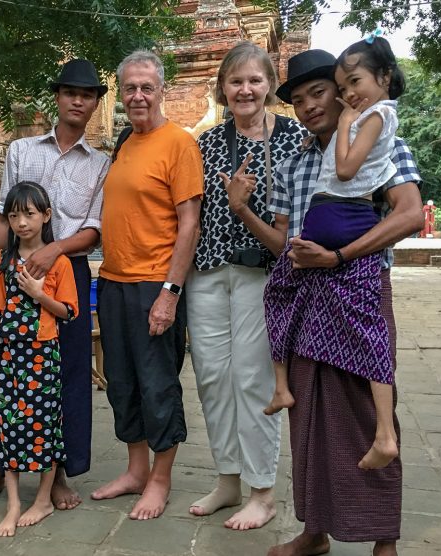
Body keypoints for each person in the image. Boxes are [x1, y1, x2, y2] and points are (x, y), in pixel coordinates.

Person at [265, 48, 423, 556]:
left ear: (343, 93)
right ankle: (315, 531)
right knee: (309, 417)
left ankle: (384, 539)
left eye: (319, 92)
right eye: (298, 100)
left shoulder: (383, 142)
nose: (309, 106)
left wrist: (338, 256)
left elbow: (409, 214)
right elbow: (283, 242)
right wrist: (245, 210)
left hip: (360, 289)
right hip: (306, 299)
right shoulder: (293, 166)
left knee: (368, 411)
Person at [0, 59, 109, 513]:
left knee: (68, 374)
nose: (78, 101)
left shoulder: (101, 163)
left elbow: (94, 231)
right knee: (6, 374)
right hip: (15, 271)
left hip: (67, 275)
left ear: (96, 104)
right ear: (57, 97)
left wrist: (54, 249)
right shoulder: (22, 150)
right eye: (70, 93)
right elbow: (2, 219)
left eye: (87, 95)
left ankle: (57, 473)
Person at [185, 41, 307, 530]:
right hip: (209, 272)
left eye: (255, 80)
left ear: (270, 85)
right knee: (212, 377)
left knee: (252, 379)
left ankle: (262, 491)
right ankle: (228, 479)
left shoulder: (294, 138)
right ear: (222, 88)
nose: (245, 89)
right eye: (235, 81)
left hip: (264, 275)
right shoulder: (207, 142)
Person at [89, 50, 203, 520]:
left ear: (161, 91)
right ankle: (136, 470)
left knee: (157, 385)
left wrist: (170, 294)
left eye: (146, 87)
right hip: (113, 282)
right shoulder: (124, 143)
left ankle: (160, 478)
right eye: (130, 88)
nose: (137, 96)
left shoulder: (178, 143)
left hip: (155, 284)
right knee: (122, 383)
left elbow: (190, 224)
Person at [0, 181, 79, 536]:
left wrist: (40, 295)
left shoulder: (59, 263)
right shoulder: (3, 261)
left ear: (46, 215)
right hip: (10, 357)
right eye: (14, 216)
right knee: (9, 427)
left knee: (44, 426)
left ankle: (42, 500)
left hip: (43, 357)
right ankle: (13, 504)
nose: (21, 223)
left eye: (28, 214)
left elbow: (69, 312)